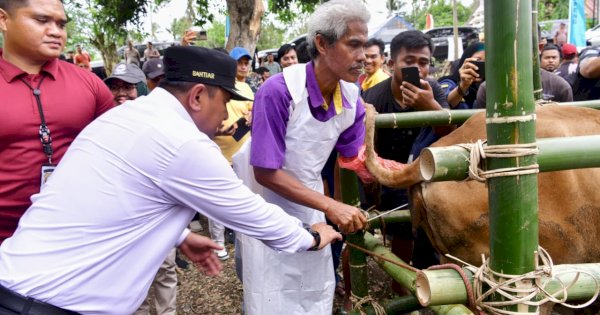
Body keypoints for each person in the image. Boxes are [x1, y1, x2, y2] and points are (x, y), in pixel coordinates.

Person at [0, 45, 342, 315]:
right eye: (223, 101)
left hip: (19, 286)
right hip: (47, 305)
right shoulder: (182, 140)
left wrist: (179, 236)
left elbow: (112, 198)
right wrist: (310, 235)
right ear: (196, 96)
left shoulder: (128, 117)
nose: (225, 114)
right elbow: (252, 213)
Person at [238, 1, 378, 313]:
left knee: (314, 293)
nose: (363, 56)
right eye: (353, 44)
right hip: (267, 205)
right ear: (321, 43)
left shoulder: (353, 99)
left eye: (365, 45)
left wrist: (344, 211)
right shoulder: (278, 91)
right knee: (270, 293)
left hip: (312, 202)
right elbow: (265, 173)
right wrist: (333, 206)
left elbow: (349, 161)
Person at [0, 0, 114, 244]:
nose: (55, 31)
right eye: (41, 20)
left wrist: (179, 232)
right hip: (4, 239)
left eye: (61, 24)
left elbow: (121, 159)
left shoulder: (90, 83)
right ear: (3, 20)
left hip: (78, 234)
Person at [362, 30, 449, 271]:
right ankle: (400, 284)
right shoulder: (374, 95)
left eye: (423, 63)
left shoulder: (432, 89)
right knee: (401, 232)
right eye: (409, 62)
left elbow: (450, 132)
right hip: (388, 172)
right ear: (391, 64)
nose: (418, 69)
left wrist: (429, 106)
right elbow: (365, 143)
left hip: (427, 170)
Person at [210, 46, 255, 261]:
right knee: (218, 199)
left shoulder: (247, 87)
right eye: (240, 62)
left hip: (243, 150)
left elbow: (251, 109)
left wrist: (251, 114)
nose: (244, 66)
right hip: (219, 151)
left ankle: (239, 236)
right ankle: (217, 241)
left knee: (242, 196)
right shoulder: (221, 84)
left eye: (246, 61)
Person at [438, 42, 485, 109]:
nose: (483, 64)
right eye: (478, 60)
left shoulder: (491, 85)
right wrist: (463, 85)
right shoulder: (450, 82)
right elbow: (444, 104)